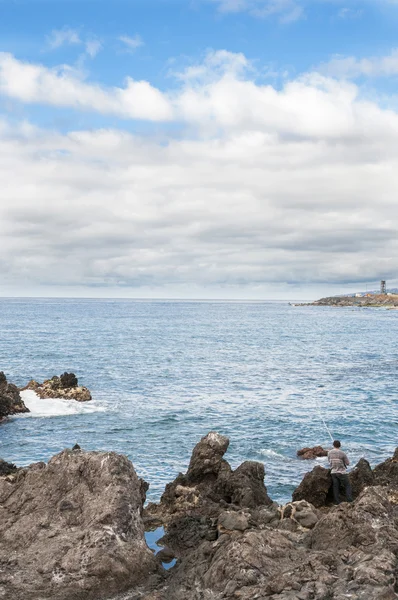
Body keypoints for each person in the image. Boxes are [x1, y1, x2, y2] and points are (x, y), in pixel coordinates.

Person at [328, 440, 353, 504]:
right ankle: (349, 500)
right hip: (341, 472)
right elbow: (347, 463)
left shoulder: (329, 452)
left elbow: (329, 461)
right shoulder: (342, 453)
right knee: (347, 485)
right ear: (340, 446)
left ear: (333, 445)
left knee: (336, 486)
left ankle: (337, 502)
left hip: (333, 472)